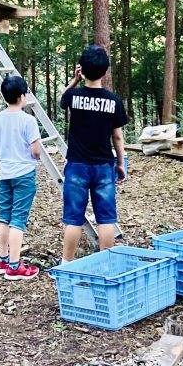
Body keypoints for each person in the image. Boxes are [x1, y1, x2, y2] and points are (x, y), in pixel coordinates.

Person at [60, 45, 128, 262]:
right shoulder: (114, 101)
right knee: (106, 219)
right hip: (103, 167)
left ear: (82, 70)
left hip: (77, 165)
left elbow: (62, 97)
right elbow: (117, 137)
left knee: (73, 219)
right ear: (105, 72)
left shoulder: (73, 96)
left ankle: (67, 263)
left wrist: (74, 81)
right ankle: (106, 264)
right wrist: (121, 163)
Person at [0, 76, 42, 281]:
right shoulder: (28, 120)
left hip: (4, 174)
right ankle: (14, 266)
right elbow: (36, 151)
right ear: (22, 97)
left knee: (4, 216)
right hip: (24, 175)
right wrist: (32, 154)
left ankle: (3, 261)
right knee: (18, 220)